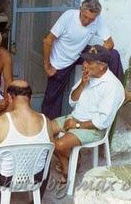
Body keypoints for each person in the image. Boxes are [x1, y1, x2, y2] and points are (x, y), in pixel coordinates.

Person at [42, 0, 131, 120]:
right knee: (52, 100)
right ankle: (49, 130)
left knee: (113, 55)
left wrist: (96, 59)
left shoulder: (96, 20)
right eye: (85, 17)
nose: (87, 21)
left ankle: (122, 92)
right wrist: (47, 66)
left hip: (80, 52)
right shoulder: (68, 17)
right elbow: (47, 40)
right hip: (61, 60)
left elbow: (109, 43)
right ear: (80, 10)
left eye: (91, 19)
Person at [0, 80, 55, 204]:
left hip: (6, 179)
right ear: (30, 98)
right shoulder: (46, 121)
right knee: (46, 162)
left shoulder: (1, 122)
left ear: (9, 98)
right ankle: (35, 201)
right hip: (35, 176)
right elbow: (49, 152)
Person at [52, 45, 125, 182]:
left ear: (102, 66)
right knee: (45, 131)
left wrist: (77, 125)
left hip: (93, 128)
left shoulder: (112, 86)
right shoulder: (88, 76)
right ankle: (68, 161)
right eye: (84, 60)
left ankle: (68, 164)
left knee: (59, 145)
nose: (84, 64)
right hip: (75, 118)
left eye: (89, 62)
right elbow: (72, 101)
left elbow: (102, 122)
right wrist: (82, 84)